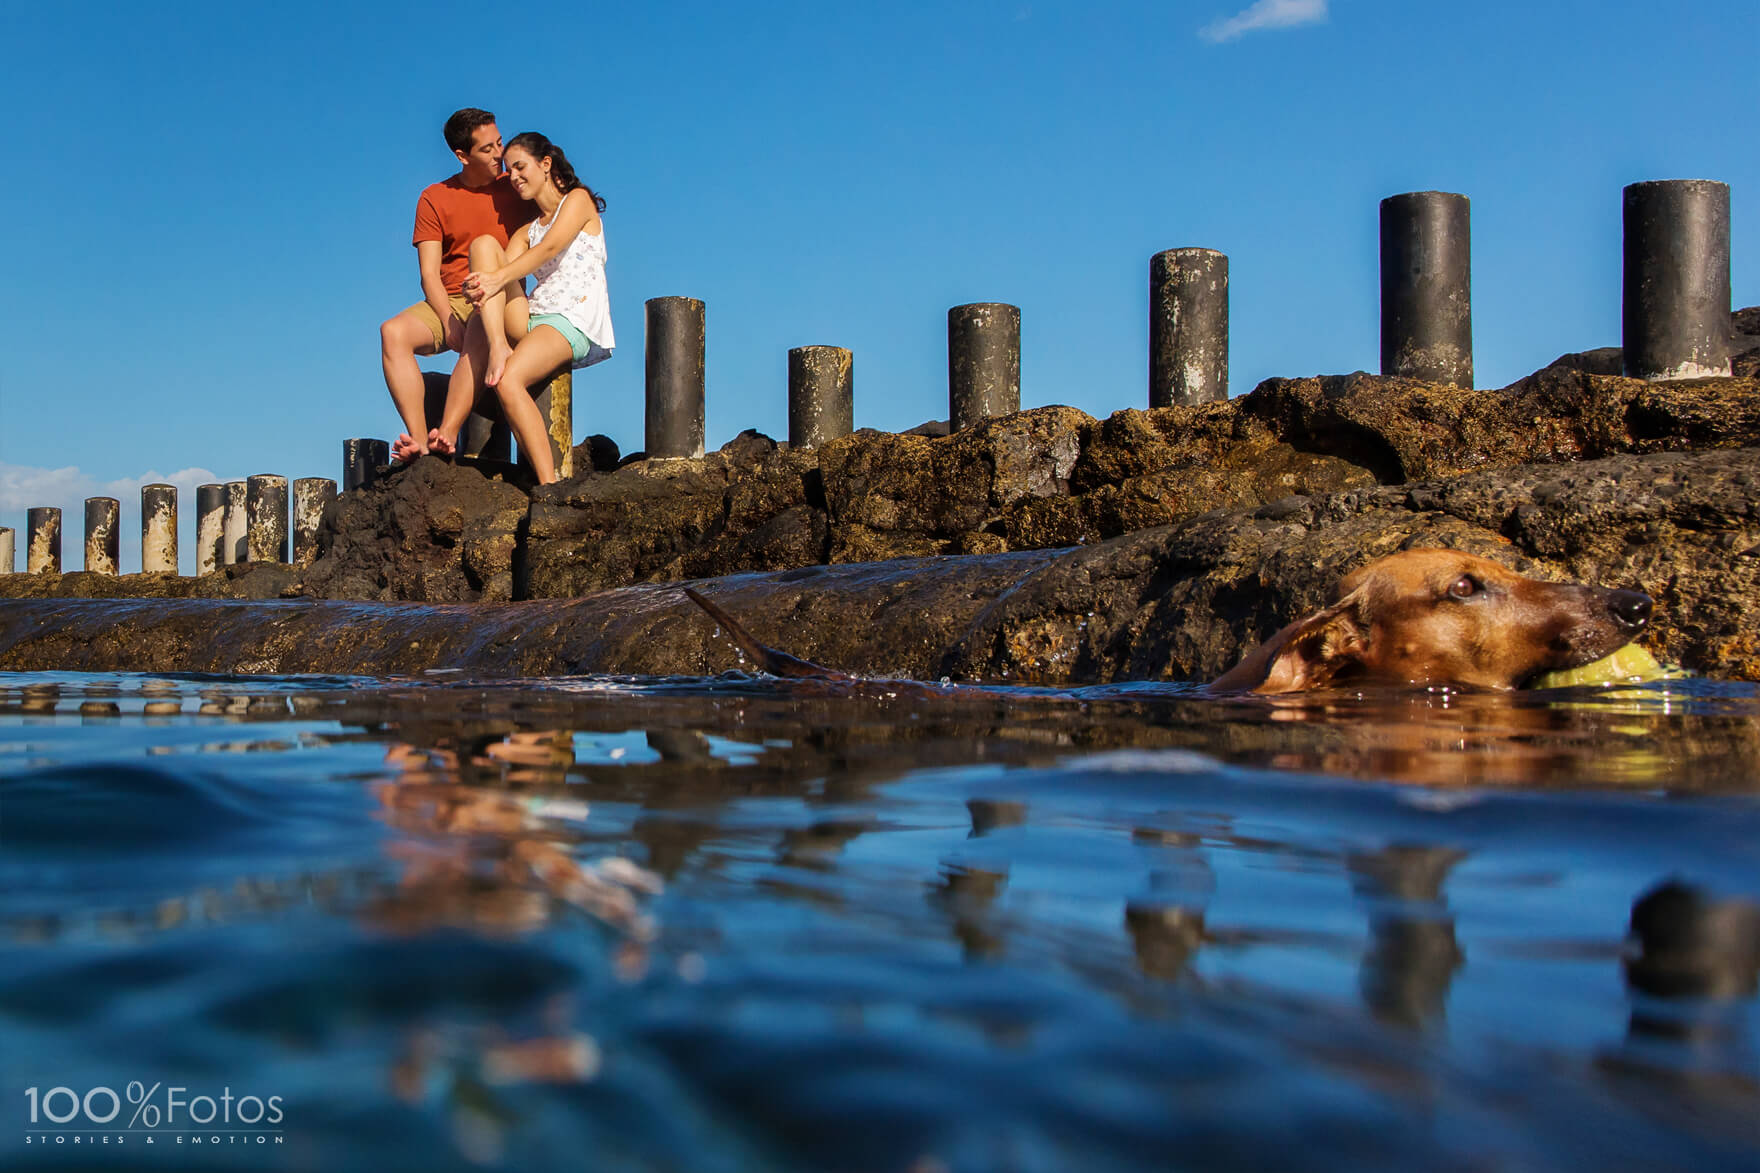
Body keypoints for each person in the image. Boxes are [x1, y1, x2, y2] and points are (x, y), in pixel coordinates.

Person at [430, 132, 613, 485]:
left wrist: (495, 281)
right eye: (509, 170)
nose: (513, 177)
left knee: (510, 381)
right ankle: (451, 428)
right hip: (532, 318)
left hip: (570, 319)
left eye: (520, 167)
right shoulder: (527, 231)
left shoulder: (577, 201)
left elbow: (550, 248)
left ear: (545, 164)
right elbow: (499, 270)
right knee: (484, 246)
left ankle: (549, 486)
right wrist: (479, 286)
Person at [378, 108, 528, 464]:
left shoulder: (517, 187)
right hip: (450, 298)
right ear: (462, 155)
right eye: (487, 149)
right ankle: (418, 442)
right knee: (392, 333)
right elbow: (429, 274)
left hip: (499, 295)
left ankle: (447, 433)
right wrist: (447, 319)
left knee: (481, 324)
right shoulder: (434, 197)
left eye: (499, 143)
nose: (499, 154)